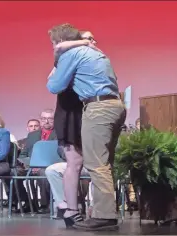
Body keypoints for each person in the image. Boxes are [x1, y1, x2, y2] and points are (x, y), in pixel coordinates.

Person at [47, 23, 126, 231]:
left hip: (97, 107)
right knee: (105, 163)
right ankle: (106, 213)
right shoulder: (98, 53)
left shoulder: (72, 54)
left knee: (96, 164)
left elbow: (54, 86)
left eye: (54, 43)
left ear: (60, 42)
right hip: (115, 105)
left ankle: (104, 216)